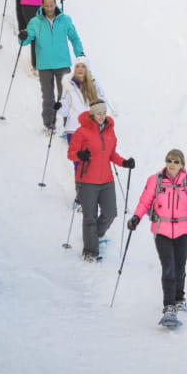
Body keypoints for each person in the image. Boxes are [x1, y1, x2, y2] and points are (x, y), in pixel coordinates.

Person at [127, 149, 187, 323]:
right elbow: (145, 201)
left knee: (180, 266)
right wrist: (136, 217)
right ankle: (169, 307)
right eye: (169, 160)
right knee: (169, 267)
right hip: (162, 229)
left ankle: (179, 299)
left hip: (183, 230)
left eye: (176, 162)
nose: (172, 164)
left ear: (182, 165)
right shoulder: (155, 180)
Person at [68, 100, 135, 261]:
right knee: (89, 217)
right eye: (98, 113)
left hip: (106, 180)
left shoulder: (110, 132)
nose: (102, 116)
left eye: (104, 113)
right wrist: (80, 155)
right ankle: (90, 251)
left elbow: (111, 155)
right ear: (92, 113)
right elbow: (71, 153)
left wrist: (124, 162)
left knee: (111, 213)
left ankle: (94, 236)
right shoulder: (82, 132)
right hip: (87, 180)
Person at [19, 0, 82, 132]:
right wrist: (22, 36)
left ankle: (68, 125)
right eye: (46, 5)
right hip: (44, 65)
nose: (49, 8)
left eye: (51, 5)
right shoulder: (35, 22)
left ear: (55, 4)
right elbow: (26, 39)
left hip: (62, 63)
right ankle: (49, 124)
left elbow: (74, 38)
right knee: (48, 97)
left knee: (65, 96)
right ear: (42, 5)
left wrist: (80, 54)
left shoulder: (65, 20)